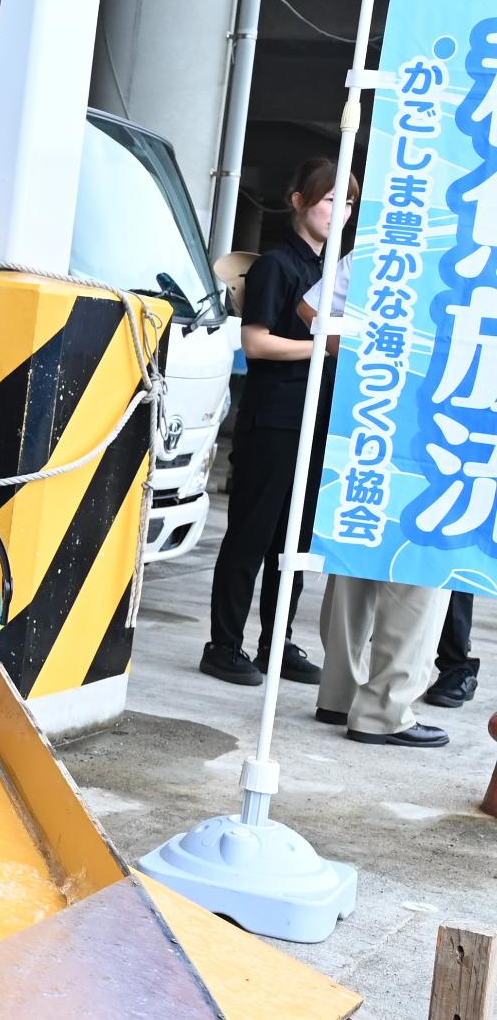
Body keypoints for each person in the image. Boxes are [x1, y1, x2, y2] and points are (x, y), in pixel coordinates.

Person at [201, 159, 355, 687]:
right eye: (331, 199)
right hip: (274, 419)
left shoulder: (336, 272)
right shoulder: (276, 265)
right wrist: (323, 347)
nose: (340, 212)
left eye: (348, 203)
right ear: (298, 201)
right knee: (251, 533)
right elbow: (256, 343)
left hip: (318, 421)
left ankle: (277, 643)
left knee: (295, 540)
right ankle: (223, 645)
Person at [298, 258, 454, 746]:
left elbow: (311, 308)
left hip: (369, 413)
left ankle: (338, 695)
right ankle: (384, 710)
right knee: (422, 565)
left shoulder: (388, 235)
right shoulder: (478, 245)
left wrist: (368, 357)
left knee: (358, 546)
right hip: (444, 421)